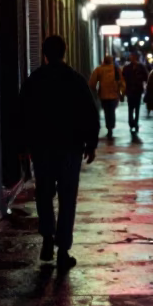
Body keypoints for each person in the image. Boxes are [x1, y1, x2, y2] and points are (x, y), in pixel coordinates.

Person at [18, 34, 98, 269]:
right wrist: (91, 143)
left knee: (43, 194)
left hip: (42, 147)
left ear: (44, 53)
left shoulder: (35, 80)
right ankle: (63, 249)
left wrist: (23, 145)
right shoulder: (75, 79)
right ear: (65, 52)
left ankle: (47, 237)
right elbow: (89, 113)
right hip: (70, 147)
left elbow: (23, 114)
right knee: (67, 198)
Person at [88, 54, 123, 140]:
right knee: (112, 111)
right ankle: (111, 126)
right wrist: (121, 93)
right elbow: (121, 82)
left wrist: (95, 91)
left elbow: (92, 82)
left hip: (103, 95)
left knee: (107, 111)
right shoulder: (116, 69)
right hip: (114, 95)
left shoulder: (99, 69)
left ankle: (109, 127)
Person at [122, 50, 149, 142]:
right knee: (130, 108)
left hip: (137, 90)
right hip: (130, 90)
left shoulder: (141, 67)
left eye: (133, 57)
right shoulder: (127, 67)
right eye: (131, 57)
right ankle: (131, 122)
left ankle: (135, 123)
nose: (131, 58)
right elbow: (123, 77)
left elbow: (146, 77)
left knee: (136, 108)